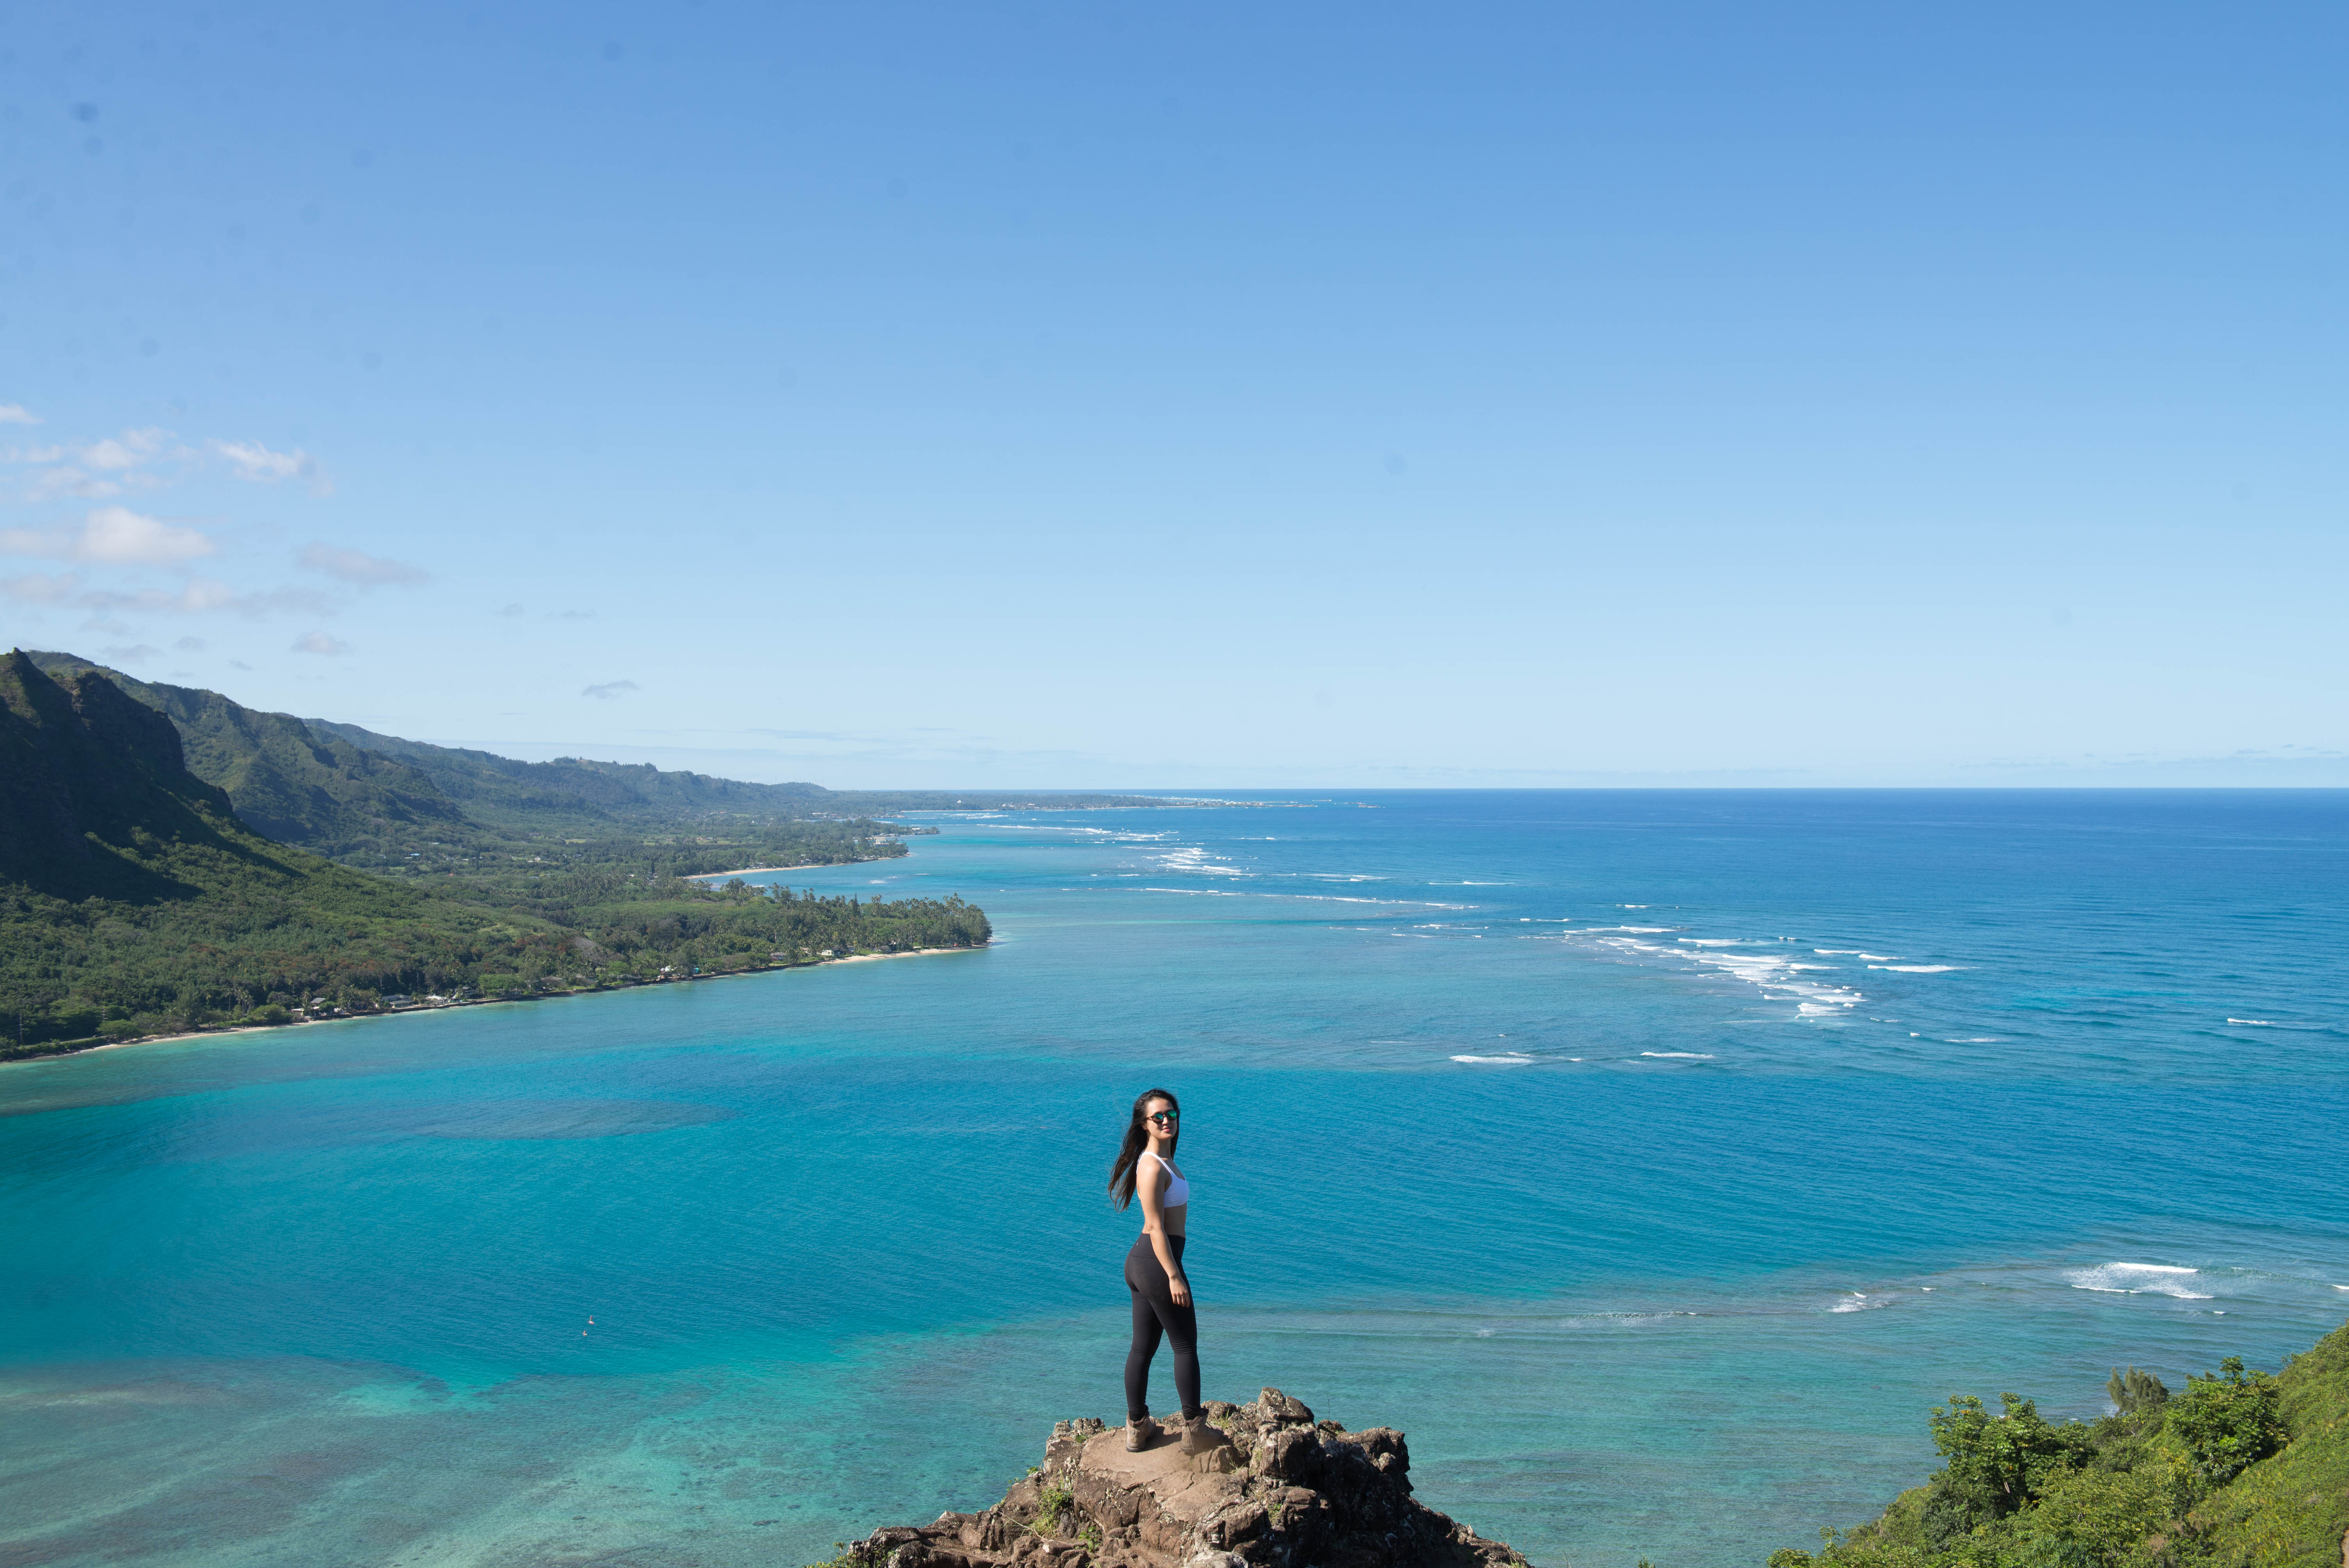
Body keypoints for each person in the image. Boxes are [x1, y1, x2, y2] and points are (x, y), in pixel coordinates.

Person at [1108, 1087, 1220, 1454]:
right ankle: (1195, 1431)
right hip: (1157, 1263)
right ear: (1145, 1124)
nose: (1167, 1120)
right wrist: (1174, 1275)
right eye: (1158, 1117)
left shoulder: (1163, 1161)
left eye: (1171, 1114)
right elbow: (1156, 1226)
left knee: (1143, 1348)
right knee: (1185, 1345)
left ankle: (1138, 1428)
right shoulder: (1151, 1166)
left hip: (1144, 1263)